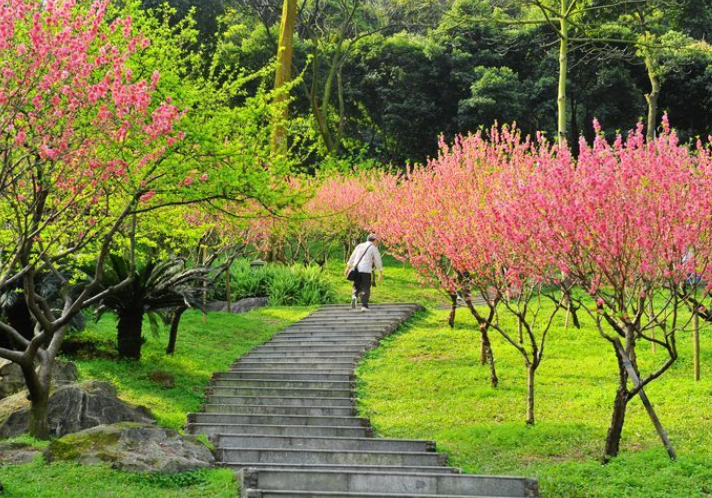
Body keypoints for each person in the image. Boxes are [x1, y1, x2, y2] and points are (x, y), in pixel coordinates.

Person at [345, 234, 383, 311]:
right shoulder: (373, 248)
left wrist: (348, 267)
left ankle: (354, 302)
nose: (377, 243)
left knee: (356, 286)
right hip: (366, 270)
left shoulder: (359, 246)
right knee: (366, 287)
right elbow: (377, 260)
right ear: (374, 240)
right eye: (377, 241)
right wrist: (380, 272)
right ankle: (364, 306)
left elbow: (352, 256)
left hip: (357, 269)